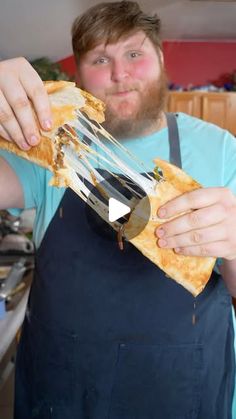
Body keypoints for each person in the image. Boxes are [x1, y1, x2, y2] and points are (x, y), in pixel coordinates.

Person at [0, 1, 236, 418]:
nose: (119, 73)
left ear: (161, 59)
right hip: (64, 391)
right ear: (77, 73)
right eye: (100, 58)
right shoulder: (49, 147)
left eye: (134, 53)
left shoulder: (221, 149)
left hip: (181, 391)